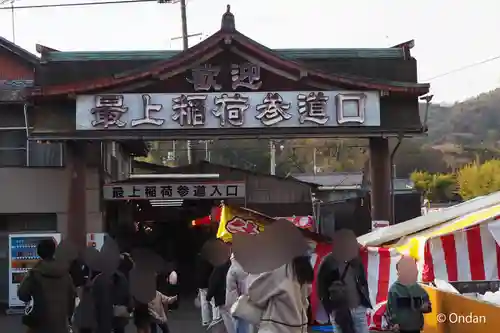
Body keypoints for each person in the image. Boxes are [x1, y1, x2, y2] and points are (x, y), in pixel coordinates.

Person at [316, 229, 372, 333]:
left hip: (358, 307)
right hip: (338, 308)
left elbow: (362, 281)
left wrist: (364, 302)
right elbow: (321, 288)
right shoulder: (327, 262)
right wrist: (330, 308)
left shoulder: (355, 260)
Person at [18, 239, 75, 333]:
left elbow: (22, 294)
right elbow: (72, 297)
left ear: (39, 252)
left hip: (40, 324)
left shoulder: (34, 273)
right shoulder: (65, 274)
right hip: (61, 326)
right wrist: (69, 317)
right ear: (54, 251)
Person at [246, 255, 314, 333]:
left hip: (276, 327)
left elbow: (255, 294)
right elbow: (306, 296)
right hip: (299, 326)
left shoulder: (279, 266)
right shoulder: (304, 266)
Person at [386, 256, 431, 333]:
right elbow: (390, 309)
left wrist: (425, 307)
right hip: (401, 329)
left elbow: (427, 306)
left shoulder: (418, 288)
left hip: (415, 328)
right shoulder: (394, 290)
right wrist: (394, 323)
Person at [92, 268, 133, 333]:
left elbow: (92, 305)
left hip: (103, 324)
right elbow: (130, 303)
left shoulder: (98, 281)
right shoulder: (122, 278)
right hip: (119, 324)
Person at [225, 253, 254, 333]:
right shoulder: (240, 267)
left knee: (239, 327)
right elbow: (245, 288)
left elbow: (242, 288)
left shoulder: (235, 267)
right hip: (239, 303)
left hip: (236, 303)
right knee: (243, 327)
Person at [207, 258, 233, 332]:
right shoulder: (237, 266)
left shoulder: (219, 267)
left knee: (228, 321)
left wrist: (209, 296)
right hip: (235, 297)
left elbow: (214, 283)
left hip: (222, 298)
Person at [196, 251, 219, 327]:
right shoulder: (210, 260)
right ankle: (216, 318)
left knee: (204, 302)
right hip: (208, 283)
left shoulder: (198, 260)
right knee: (214, 302)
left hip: (200, 283)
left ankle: (205, 320)